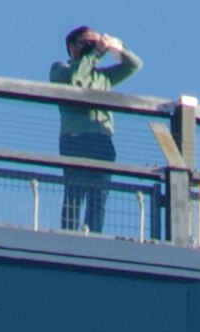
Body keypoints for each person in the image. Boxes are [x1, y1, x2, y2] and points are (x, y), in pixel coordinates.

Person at [44, 26, 140, 231]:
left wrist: (117, 47)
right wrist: (95, 54)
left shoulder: (102, 77)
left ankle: (94, 235)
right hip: (75, 138)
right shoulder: (59, 69)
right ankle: (68, 236)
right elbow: (74, 80)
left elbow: (134, 65)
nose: (94, 46)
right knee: (74, 192)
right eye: (88, 42)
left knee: (99, 195)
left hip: (102, 140)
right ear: (73, 47)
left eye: (95, 42)